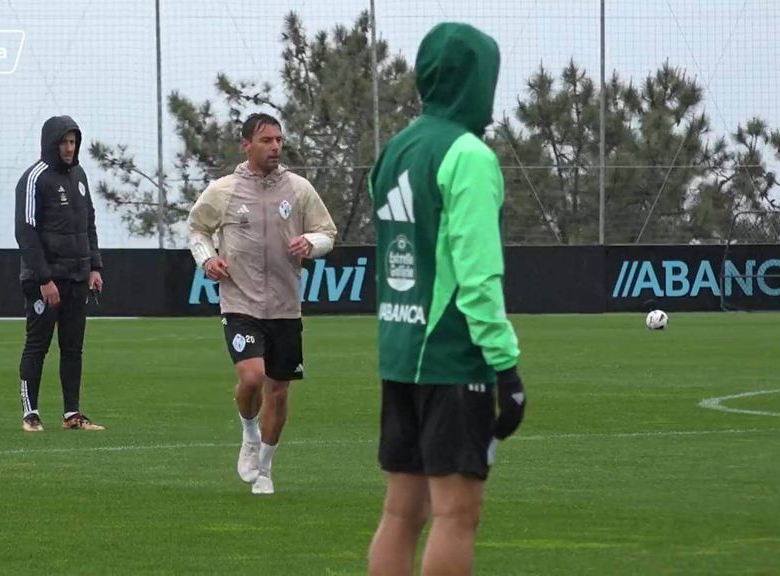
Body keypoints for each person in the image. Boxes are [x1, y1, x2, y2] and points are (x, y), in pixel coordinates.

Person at [366, 23, 527, 575]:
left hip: (398, 350)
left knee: (400, 511)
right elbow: (478, 277)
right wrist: (505, 365)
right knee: (457, 515)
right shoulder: (470, 155)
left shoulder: (394, 150)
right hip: (453, 356)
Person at [188, 113, 337, 495]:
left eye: (278, 140)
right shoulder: (224, 190)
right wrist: (207, 259)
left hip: (286, 306)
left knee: (279, 389)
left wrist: (311, 243)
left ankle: (266, 468)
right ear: (246, 145)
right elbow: (197, 227)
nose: (275, 147)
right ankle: (249, 433)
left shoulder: (299, 189)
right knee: (252, 377)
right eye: (267, 140)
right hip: (240, 301)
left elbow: (327, 233)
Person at [14, 115, 105, 432]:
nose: (69, 148)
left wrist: (94, 267)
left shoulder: (79, 176)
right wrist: (44, 280)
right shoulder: (34, 178)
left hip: (77, 277)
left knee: (73, 349)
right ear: (52, 143)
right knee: (37, 346)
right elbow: (25, 233)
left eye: (73, 141)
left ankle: (72, 415)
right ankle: (30, 414)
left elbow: (88, 224)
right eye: (64, 142)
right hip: (44, 282)